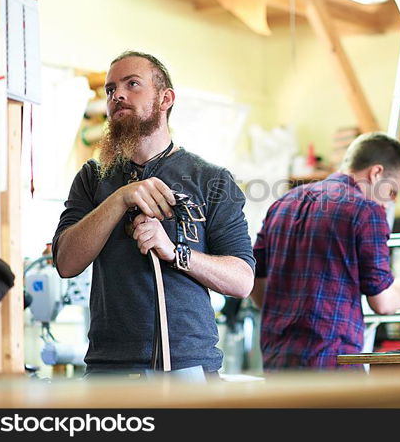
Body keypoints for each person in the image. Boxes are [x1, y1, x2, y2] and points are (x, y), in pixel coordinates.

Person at [52, 51, 254, 379]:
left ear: (165, 98)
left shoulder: (212, 179)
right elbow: (66, 262)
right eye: (110, 89)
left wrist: (175, 253)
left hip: (188, 366)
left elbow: (242, 280)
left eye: (133, 84)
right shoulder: (92, 177)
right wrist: (120, 199)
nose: (117, 95)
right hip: (109, 369)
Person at [250, 132, 400, 370]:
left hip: (278, 359)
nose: (388, 203)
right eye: (391, 192)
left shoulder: (283, 203)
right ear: (376, 173)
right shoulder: (367, 211)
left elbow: (255, 284)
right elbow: (382, 303)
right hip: (332, 361)